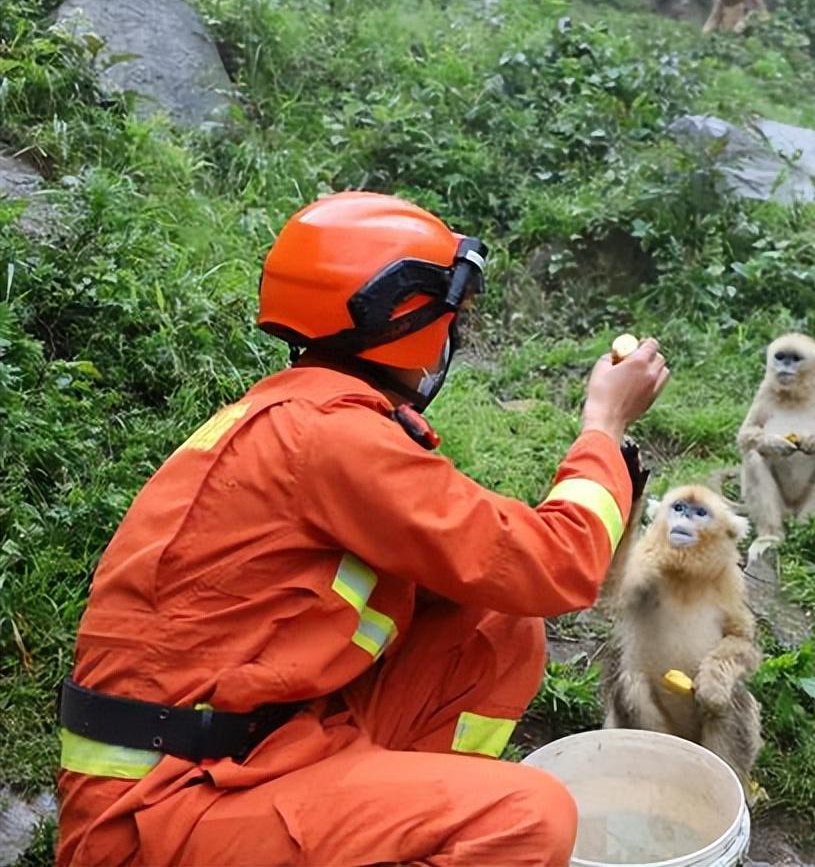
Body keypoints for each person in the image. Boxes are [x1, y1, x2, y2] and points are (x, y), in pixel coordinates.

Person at [55, 191, 670, 866]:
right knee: (529, 816)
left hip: (255, 750)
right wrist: (603, 428)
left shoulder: (303, 417)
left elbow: (494, 563)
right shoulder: (331, 438)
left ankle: (397, 828)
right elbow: (554, 567)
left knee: (493, 621)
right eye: (449, 321)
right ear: (401, 315)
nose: (451, 339)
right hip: (163, 814)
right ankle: (451, 829)